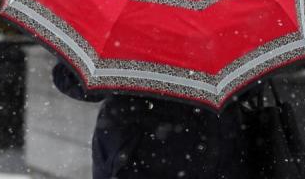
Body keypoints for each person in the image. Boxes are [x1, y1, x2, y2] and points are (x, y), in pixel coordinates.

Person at [52, 62, 261, 179]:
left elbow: (75, 82)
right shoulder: (226, 8)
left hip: (134, 152)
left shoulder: (124, 11)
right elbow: (250, 87)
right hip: (210, 149)